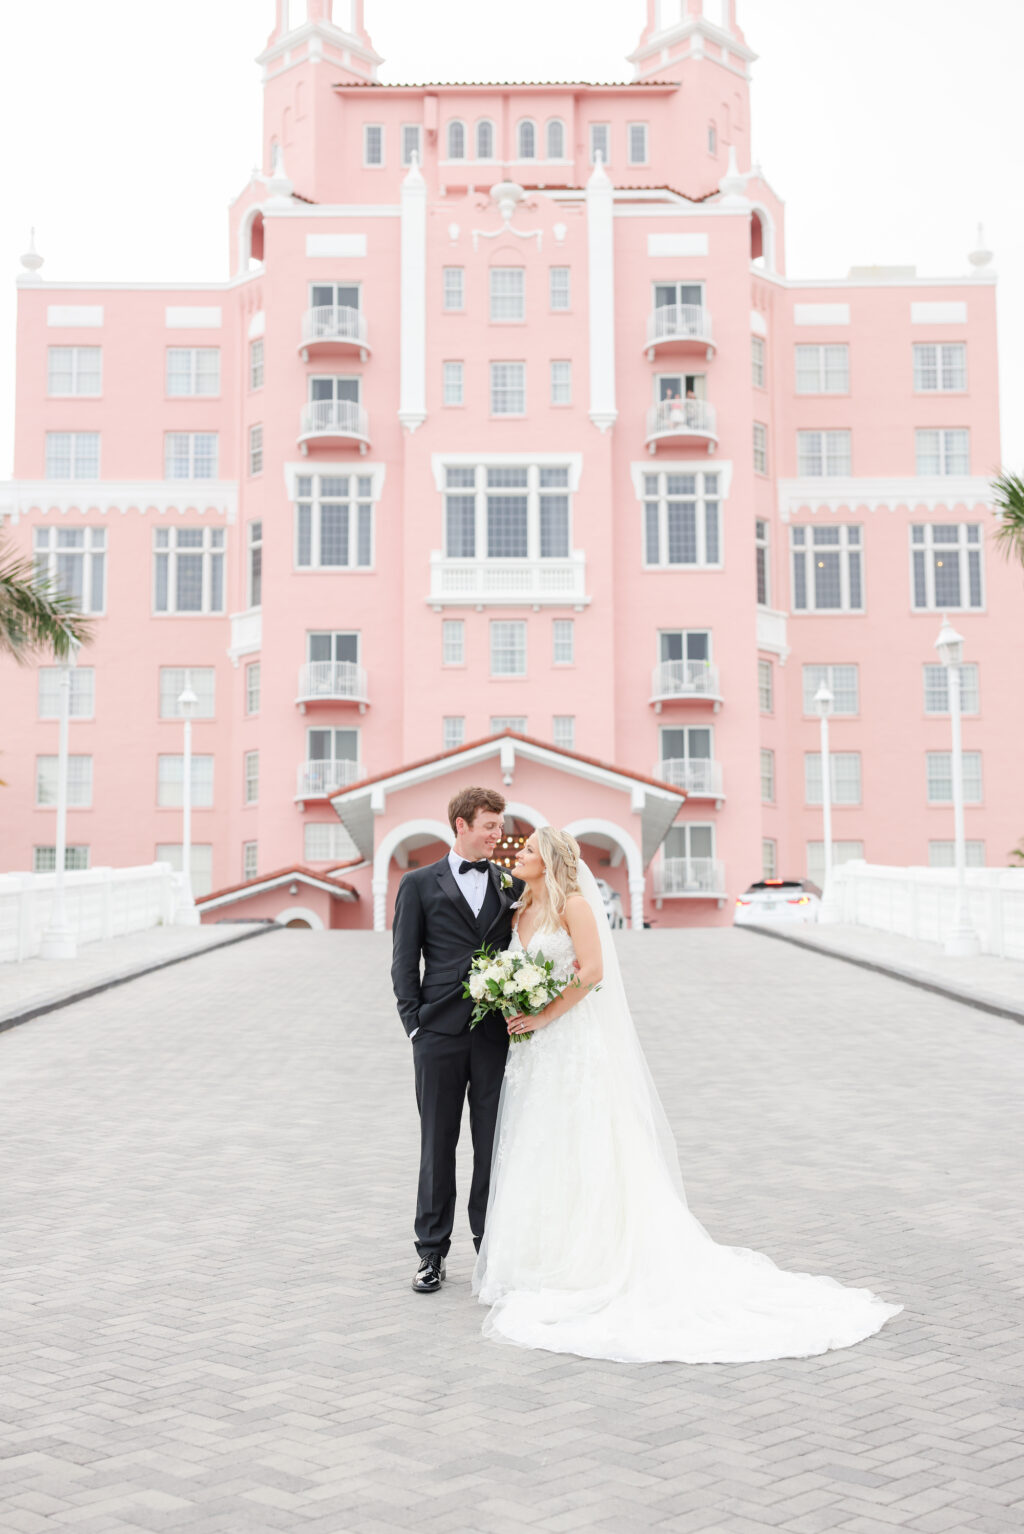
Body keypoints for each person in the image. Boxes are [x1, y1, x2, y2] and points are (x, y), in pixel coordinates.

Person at [473, 827, 904, 1363]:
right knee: (538, 1144)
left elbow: (593, 974)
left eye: (530, 850)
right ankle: (538, 1259)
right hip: (533, 1054)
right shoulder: (520, 909)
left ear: (552, 861)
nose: (520, 855)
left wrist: (542, 1013)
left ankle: (590, 1260)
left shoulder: (576, 906)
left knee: (582, 1140)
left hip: (569, 1041)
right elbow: (521, 967)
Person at [391, 787, 524, 1295]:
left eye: (500, 825)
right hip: (438, 1034)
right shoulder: (419, 883)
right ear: (461, 825)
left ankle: (488, 1250)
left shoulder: (510, 884)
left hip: (495, 1034)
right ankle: (431, 1253)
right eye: (490, 825)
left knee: (493, 1146)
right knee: (437, 1145)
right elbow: (404, 961)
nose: (499, 834)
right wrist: (414, 1025)